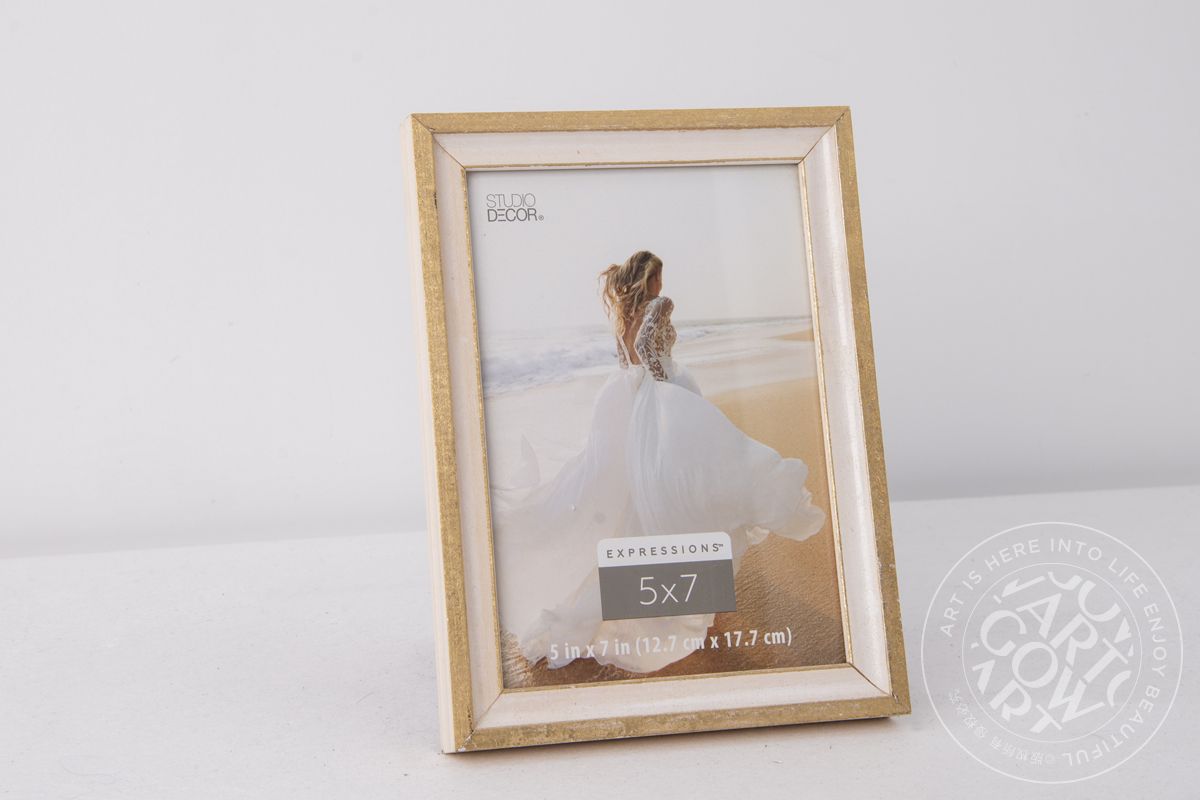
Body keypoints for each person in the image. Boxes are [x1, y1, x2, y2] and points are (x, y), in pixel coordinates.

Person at [493, 249, 825, 673]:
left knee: (632, 497)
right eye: (659, 277)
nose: (662, 284)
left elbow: (625, 358)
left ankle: (640, 589)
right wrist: (666, 390)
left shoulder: (622, 314)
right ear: (650, 277)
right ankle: (673, 587)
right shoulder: (659, 305)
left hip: (622, 398)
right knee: (677, 485)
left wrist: (647, 383)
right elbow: (647, 350)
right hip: (656, 396)